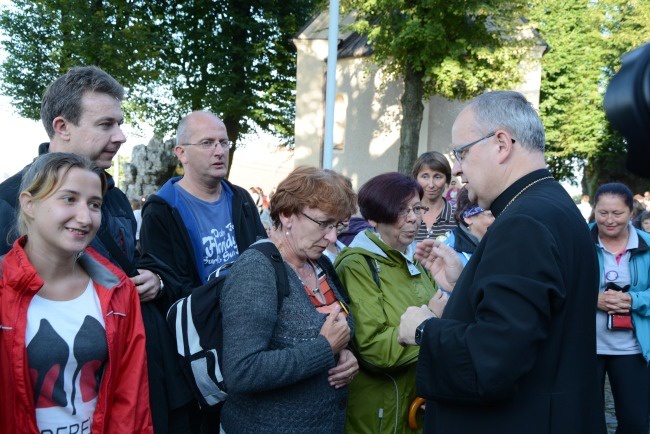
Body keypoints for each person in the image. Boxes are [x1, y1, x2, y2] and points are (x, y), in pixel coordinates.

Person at [397, 90, 605, 433]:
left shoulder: (524, 221)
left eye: (461, 152)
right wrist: (464, 284)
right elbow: (537, 319)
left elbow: (491, 362)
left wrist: (424, 329)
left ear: (501, 144)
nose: (458, 168)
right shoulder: (552, 205)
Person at [0, 66, 189, 434]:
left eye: (119, 123)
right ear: (62, 126)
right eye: (105, 124)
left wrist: (156, 280)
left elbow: (131, 262)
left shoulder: (114, 197)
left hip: (133, 386)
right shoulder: (6, 203)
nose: (119, 136)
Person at [0, 153, 153, 433]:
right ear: (29, 204)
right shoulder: (3, 290)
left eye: (94, 204)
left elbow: (130, 399)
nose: (85, 217)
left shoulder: (117, 291)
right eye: (69, 199)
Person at [138, 110, 267, 431]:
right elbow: (165, 282)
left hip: (248, 332)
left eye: (224, 142)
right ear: (181, 153)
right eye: (208, 143)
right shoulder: (163, 208)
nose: (220, 150)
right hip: (196, 347)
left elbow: (260, 258)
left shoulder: (240, 199)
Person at [219, 166, 359, 433]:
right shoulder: (256, 270)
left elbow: (336, 333)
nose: (332, 237)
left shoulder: (321, 266)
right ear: (287, 215)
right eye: (323, 223)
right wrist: (324, 349)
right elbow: (241, 371)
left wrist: (347, 357)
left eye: (336, 225)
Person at [333, 172, 445, 434]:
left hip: (417, 406)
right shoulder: (358, 264)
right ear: (373, 218)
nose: (412, 218)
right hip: (380, 413)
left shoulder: (417, 258)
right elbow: (374, 348)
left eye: (416, 208)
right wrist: (432, 325)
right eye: (400, 210)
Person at [591, 183, 650, 433]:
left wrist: (633, 300)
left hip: (633, 348)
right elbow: (560, 285)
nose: (610, 220)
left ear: (631, 213)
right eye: (603, 213)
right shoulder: (578, 240)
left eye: (618, 213)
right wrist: (593, 299)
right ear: (594, 210)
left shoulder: (647, 244)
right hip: (586, 346)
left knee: (635, 422)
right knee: (585, 420)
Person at [443, 187, 494, 267]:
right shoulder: (447, 254)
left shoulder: (503, 242)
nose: (499, 218)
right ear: (468, 218)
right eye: (491, 214)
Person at [412, 151, 456, 242]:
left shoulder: (458, 217)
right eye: (425, 176)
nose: (431, 185)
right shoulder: (406, 215)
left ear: (447, 180)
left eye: (437, 177)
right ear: (416, 178)